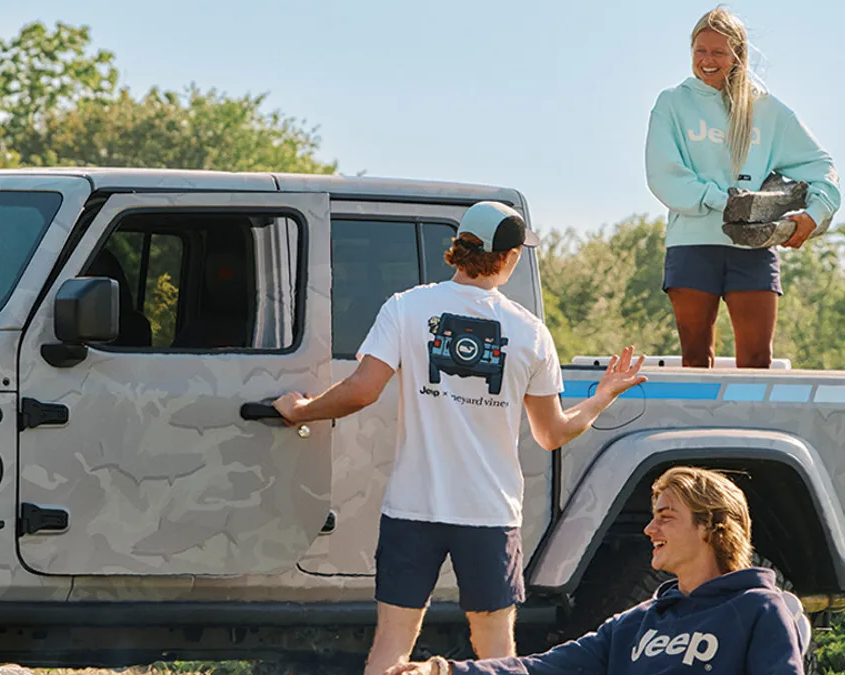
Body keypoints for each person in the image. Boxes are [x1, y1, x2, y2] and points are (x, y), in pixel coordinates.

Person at [273, 201, 647, 675]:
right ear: (509, 258)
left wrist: (302, 411)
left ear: (459, 247)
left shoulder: (407, 307)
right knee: (496, 653)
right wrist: (602, 397)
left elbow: (361, 391)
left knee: (392, 647)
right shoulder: (530, 333)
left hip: (413, 508)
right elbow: (552, 434)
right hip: (489, 513)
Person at [385, 466, 807, 674]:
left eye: (666, 516)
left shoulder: (760, 611)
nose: (649, 528)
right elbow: (538, 669)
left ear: (711, 528)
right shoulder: (636, 624)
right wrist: (446, 669)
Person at [646, 7, 840, 369]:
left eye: (718, 52)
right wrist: (731, 204)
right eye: (700, 50)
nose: (707, 60)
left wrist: (814, 215)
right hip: (692, 243)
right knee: (695, 357)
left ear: (737, 54)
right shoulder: (671, 103)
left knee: (757, 359)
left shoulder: (766, 109)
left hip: (754, 248)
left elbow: (822, 168)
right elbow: (663, 174)